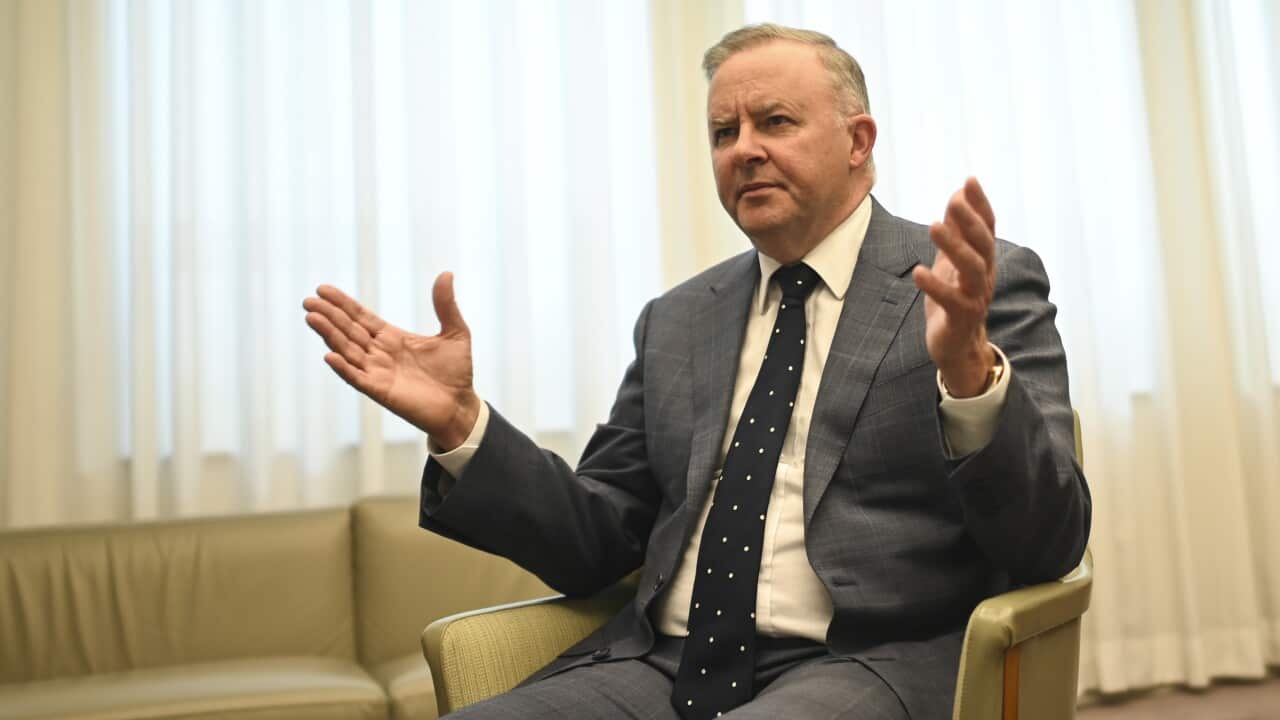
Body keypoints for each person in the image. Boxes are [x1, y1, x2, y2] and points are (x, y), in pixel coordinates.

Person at [302, 23, 1089, 720]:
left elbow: (1047, 541)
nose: (743, 147)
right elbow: (598, 542)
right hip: (661, 664)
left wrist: (968, 374)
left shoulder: (967, 284)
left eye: (775, 122)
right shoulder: (679, 319)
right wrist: (461, 425)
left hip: (866, 661)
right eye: (723, 131)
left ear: (859, 140)